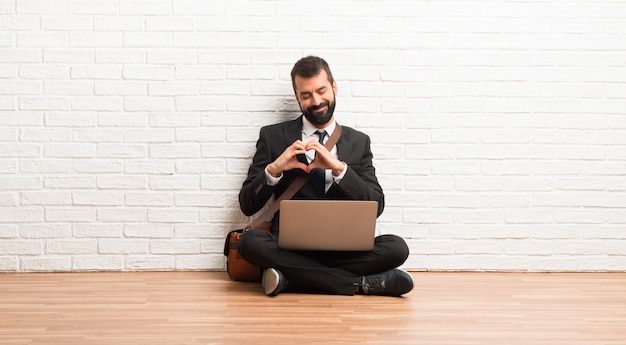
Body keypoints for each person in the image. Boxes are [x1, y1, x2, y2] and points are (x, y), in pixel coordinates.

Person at [237, 56, 413, 297]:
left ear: (334, 87)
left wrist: (340, 169)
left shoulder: (359, 142)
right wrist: (275, 169)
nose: (316, 101)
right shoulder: (273, 136)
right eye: (306, 95)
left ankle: (291, 278)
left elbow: (376, 205)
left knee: (396, 247)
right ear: (297, 97)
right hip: (290, 248)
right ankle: (359, 284)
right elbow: (247, 205)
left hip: (346, 249)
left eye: (321, 91)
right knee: (250, 242)